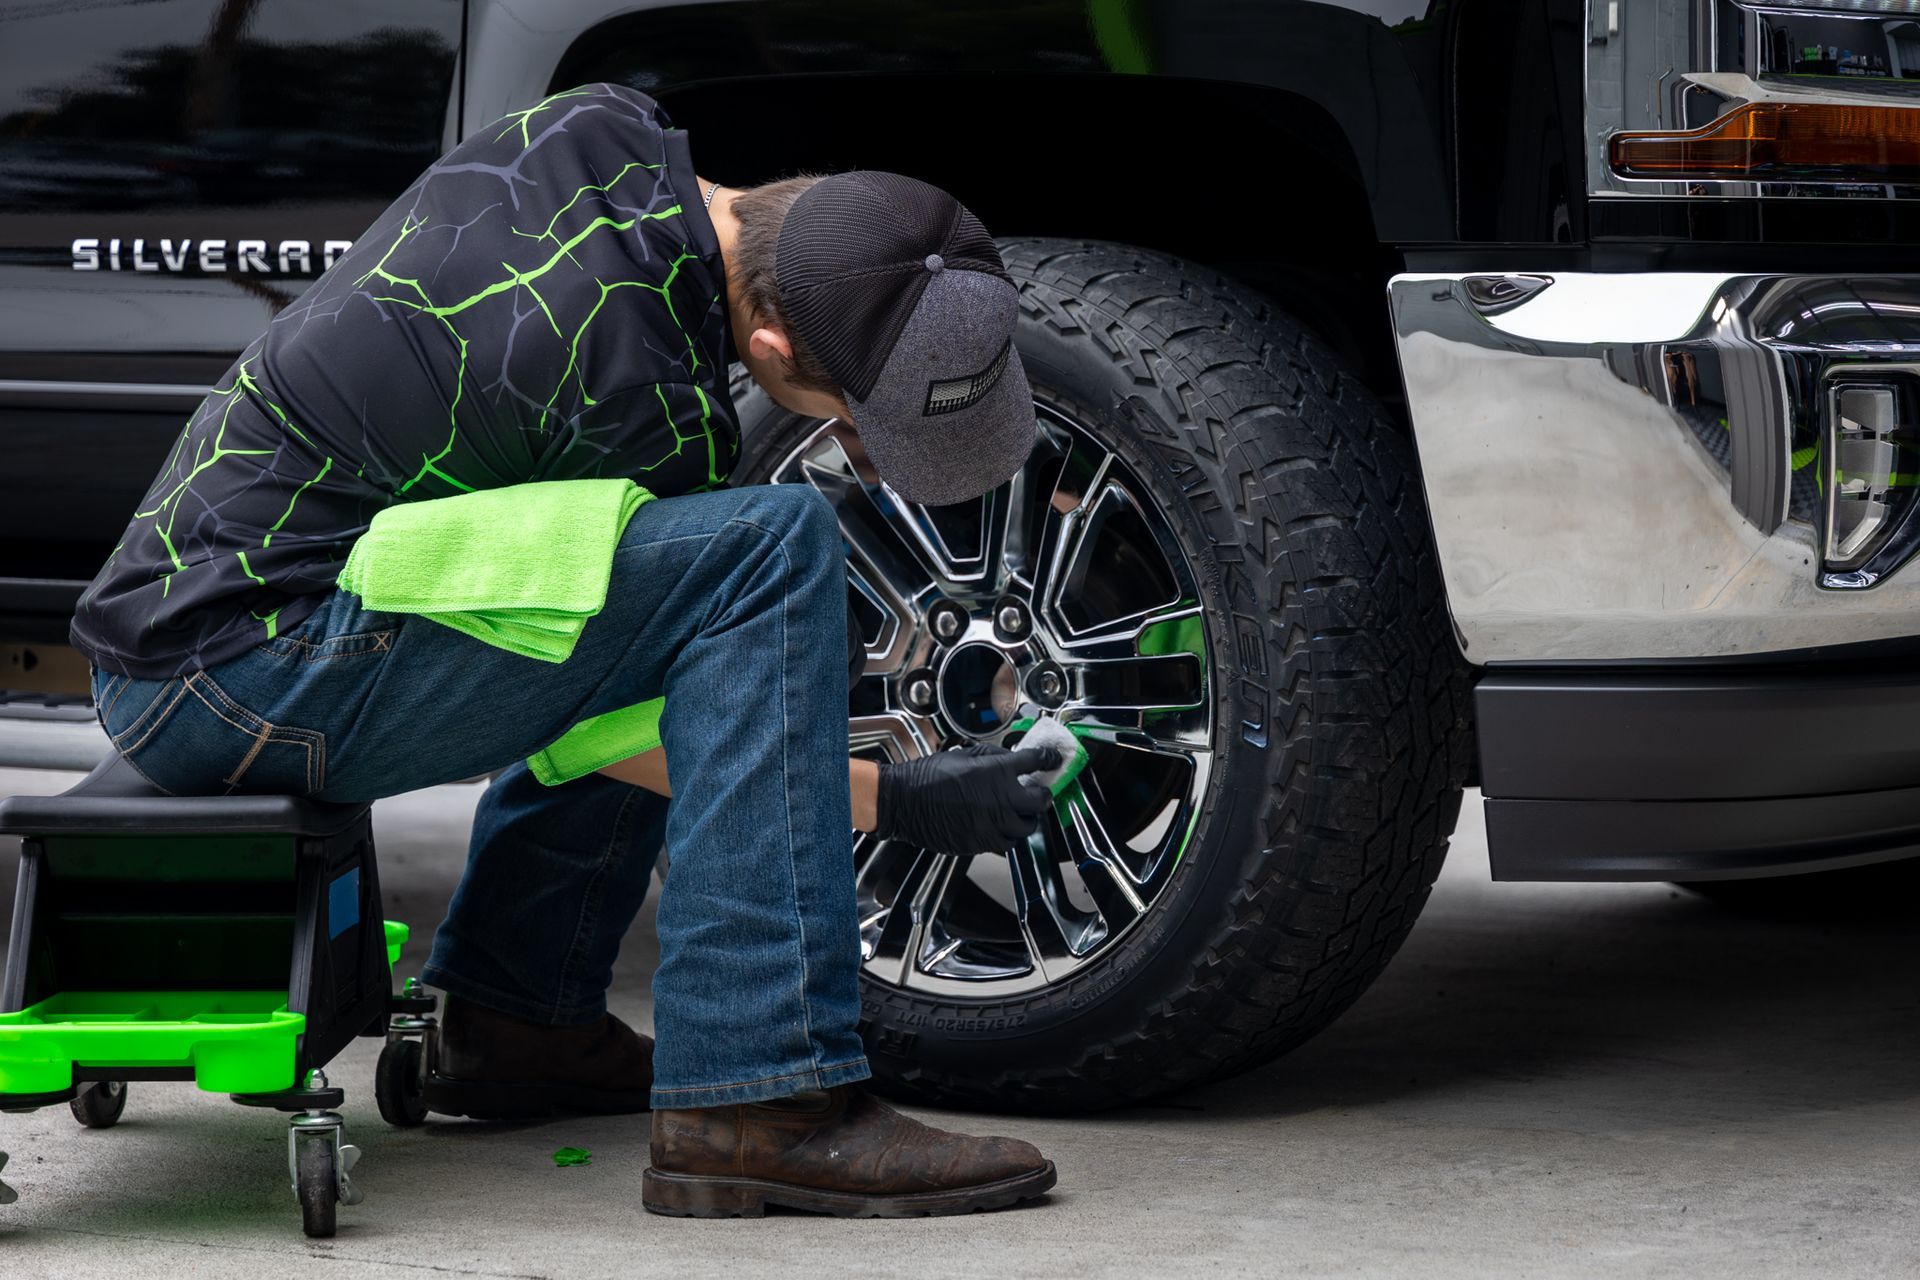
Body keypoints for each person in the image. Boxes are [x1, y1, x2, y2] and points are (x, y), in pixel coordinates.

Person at [69, 82, 1061, 1218]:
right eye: (863, 431)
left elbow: (555, 629)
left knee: (680, 560)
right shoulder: (626, 395)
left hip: (207, 615)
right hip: (230, 674)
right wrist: (899, 799)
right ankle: (761, 1099)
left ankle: (516, 1016)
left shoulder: (602, 135)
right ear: (777, 345)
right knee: (762, 551)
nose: (871, 464)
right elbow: (610, 732)